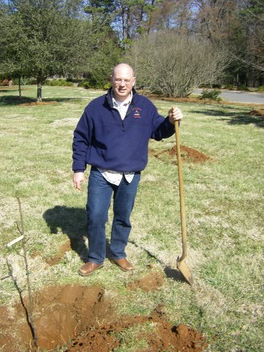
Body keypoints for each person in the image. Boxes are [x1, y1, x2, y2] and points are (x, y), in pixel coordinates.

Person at [72, 63, 183, 276]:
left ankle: (118, 252)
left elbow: (159, 131)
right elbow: (81, 138)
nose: (122, 84)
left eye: (126, 80)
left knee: (123, 216)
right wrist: (79, 169)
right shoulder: (95, 108)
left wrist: (170, 121)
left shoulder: (145, 106)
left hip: (130, 175)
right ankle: (95, 257)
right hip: (101, 173)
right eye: (118, 79)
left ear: (134, 81)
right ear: (112, 80)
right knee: (96, 215)